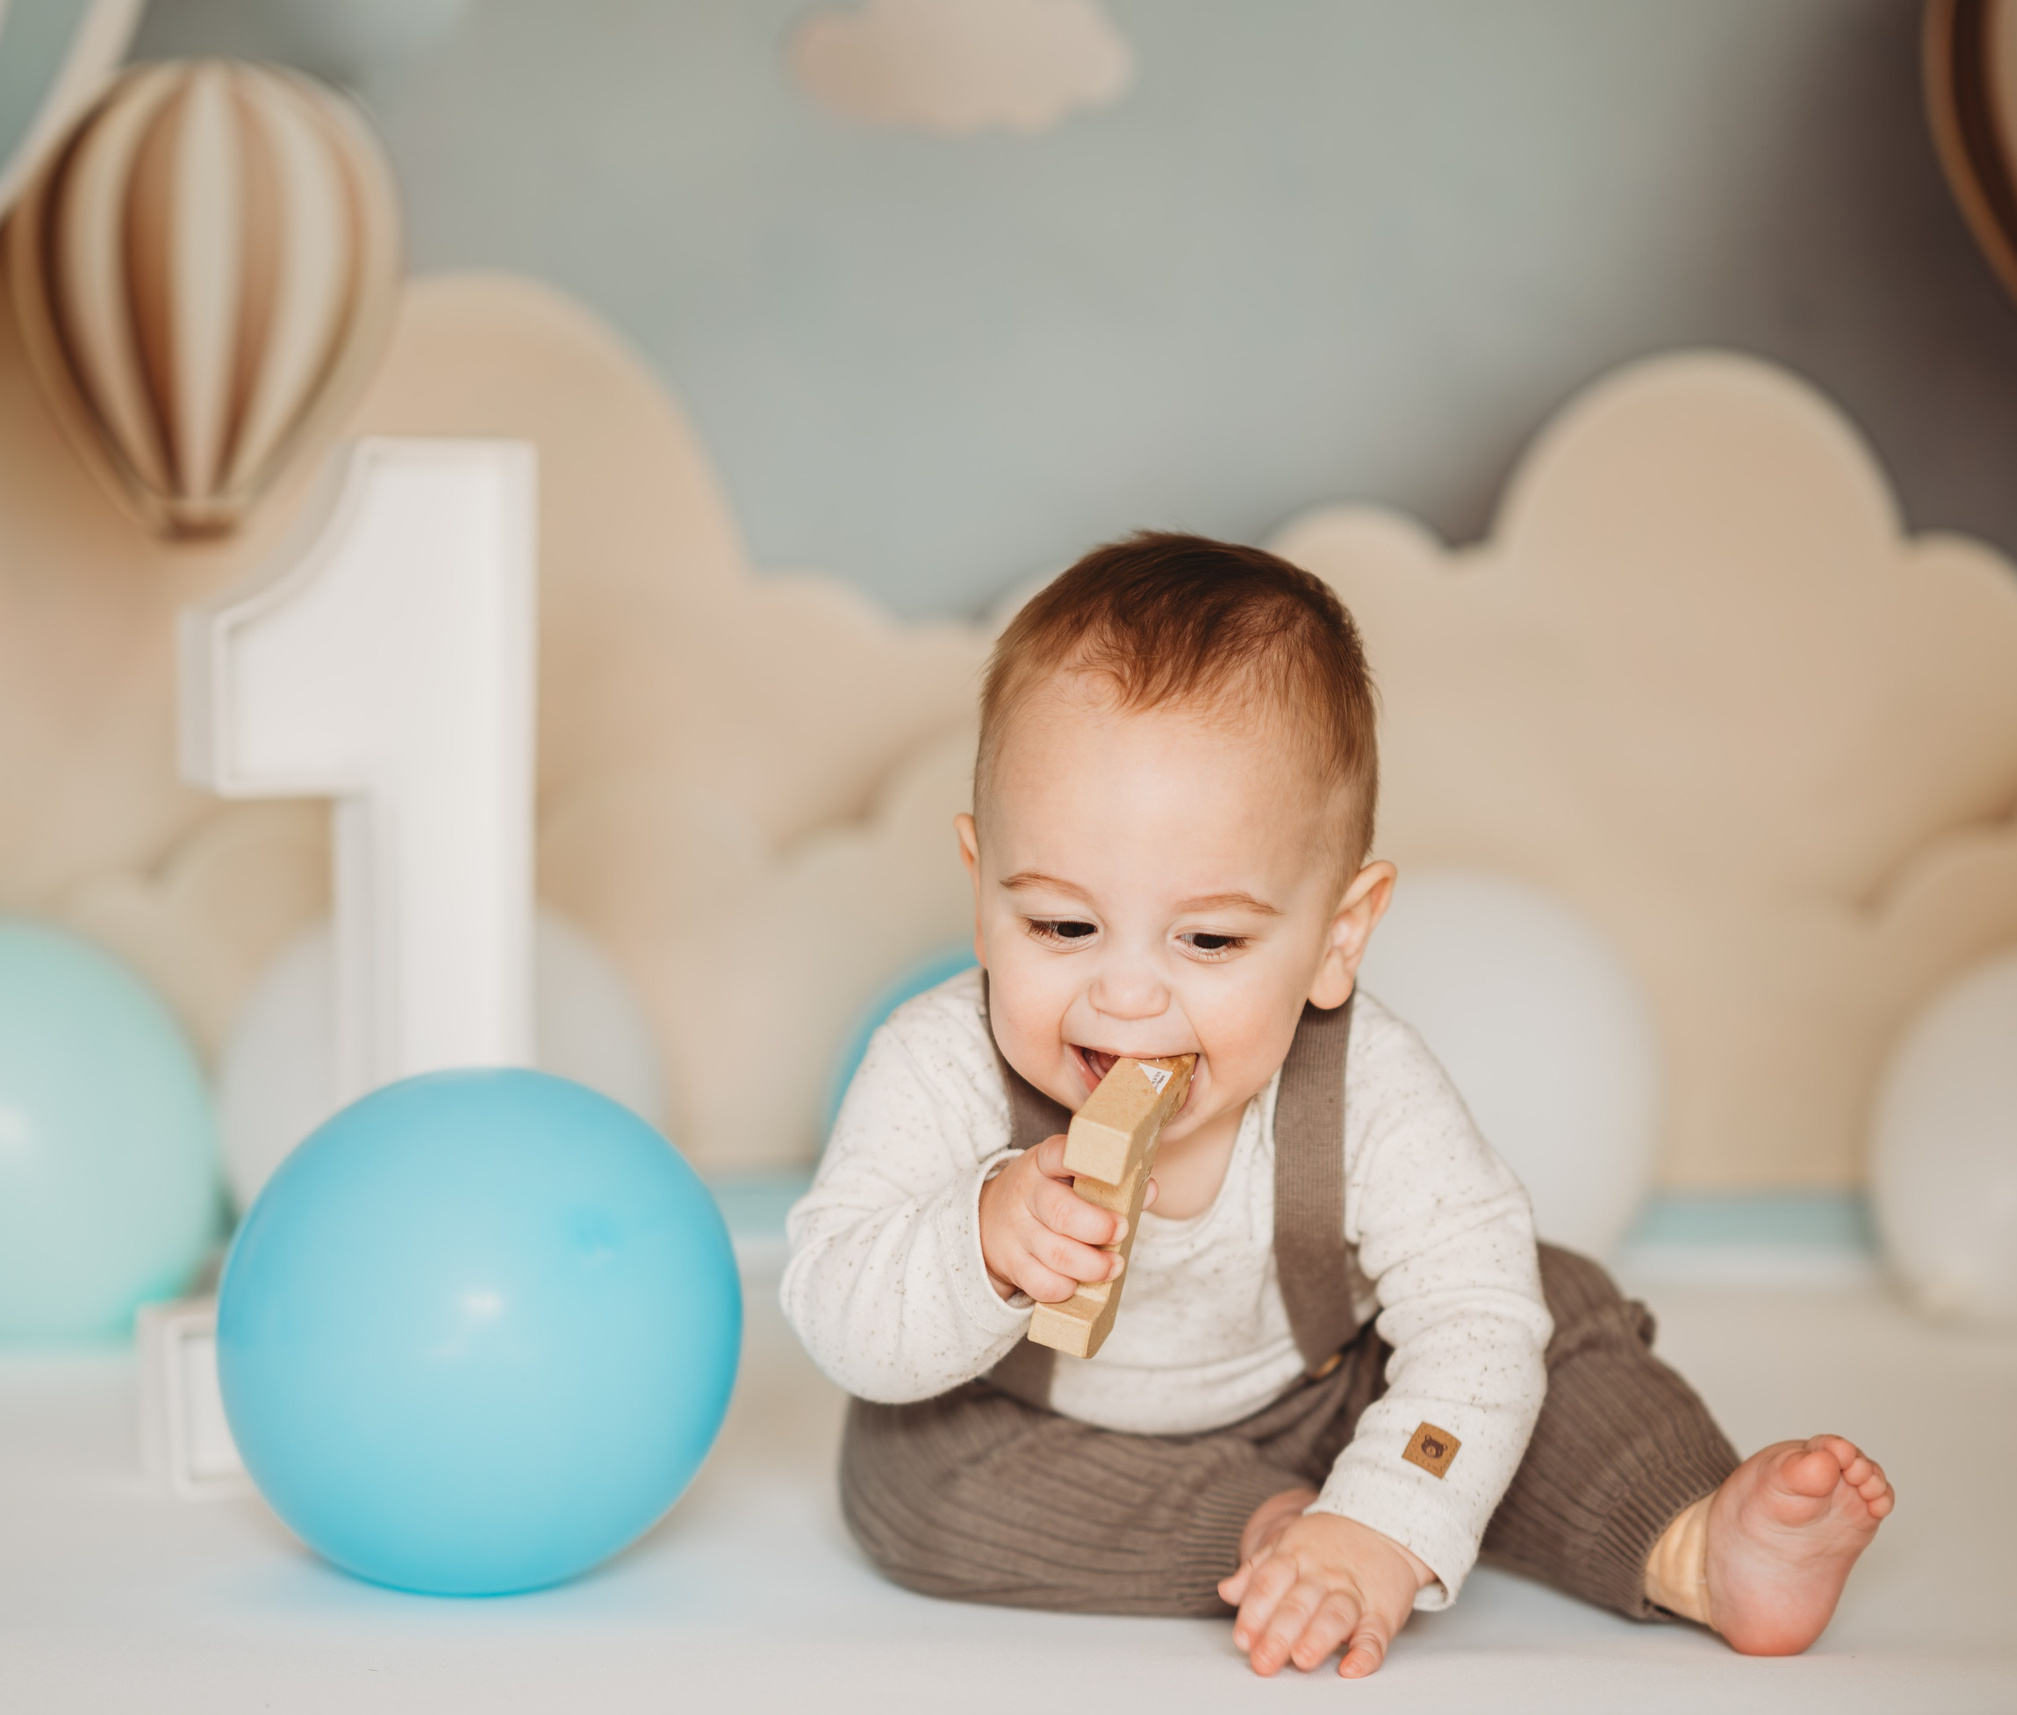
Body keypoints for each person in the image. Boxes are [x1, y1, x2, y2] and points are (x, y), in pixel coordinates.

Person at [779, 532, 1893, 1679]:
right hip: (1047, 1428)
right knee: (904, 1473)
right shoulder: (938, 1063)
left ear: (1335, 937)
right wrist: (981, 1245)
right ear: (980, 893)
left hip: (1329, 1389)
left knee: (1532, 1305)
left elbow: (1471, 1313)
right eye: (1061, 925)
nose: (1123, 993)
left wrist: (1389, 1511)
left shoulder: (1364, 1083)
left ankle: (1690, 1538)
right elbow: (832, 1299)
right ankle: (1267, 1534)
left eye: (1208, 938)